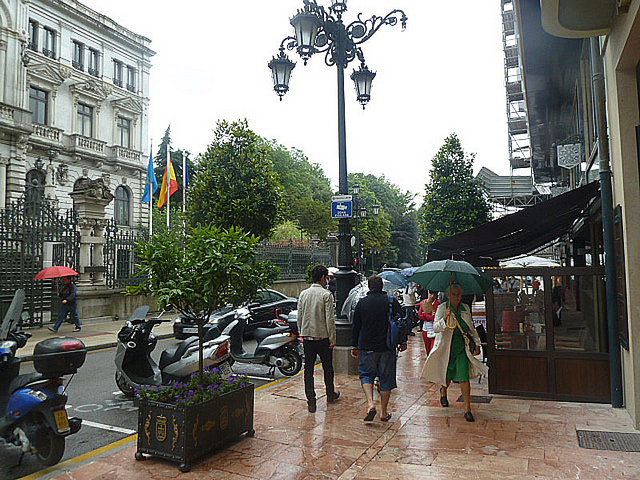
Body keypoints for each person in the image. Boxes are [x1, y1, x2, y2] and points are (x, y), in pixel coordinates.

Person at [421, 283, 487, 422]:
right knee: (447, 375)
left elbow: (470, 328)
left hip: (461, 347)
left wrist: (477, 343)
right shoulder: (442, 308)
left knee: (464, 377)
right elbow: (436, 327)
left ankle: (467, 409)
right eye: (454, 294)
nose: (457, 297)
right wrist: (445, 318)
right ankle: (443, 392)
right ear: (448, 295)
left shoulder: (465, 308)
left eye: (459, 295)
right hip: (446, 347)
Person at [351, 275, 406, 422]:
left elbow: (356, 327)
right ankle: (384, 412)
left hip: (367, 347)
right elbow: (401, 322)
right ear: (382, 286)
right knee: (385, 379)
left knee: (366, 375)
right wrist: (403, 341)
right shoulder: (391, 301)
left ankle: (370, 403)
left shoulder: (362, 303)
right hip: (387, 347)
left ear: (369, 287)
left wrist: (354, 346)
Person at [297, 264, 340, 413]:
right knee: (328, 367)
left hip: (307, 338)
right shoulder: (326, 295)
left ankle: (311, 400)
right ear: (322, 278)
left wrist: (301, 332)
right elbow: (330, 319)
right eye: (326, 278)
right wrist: (332, 338)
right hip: (323, 338)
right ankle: (330, 394)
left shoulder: (303, 294)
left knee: (308, 370)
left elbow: (300, 316)